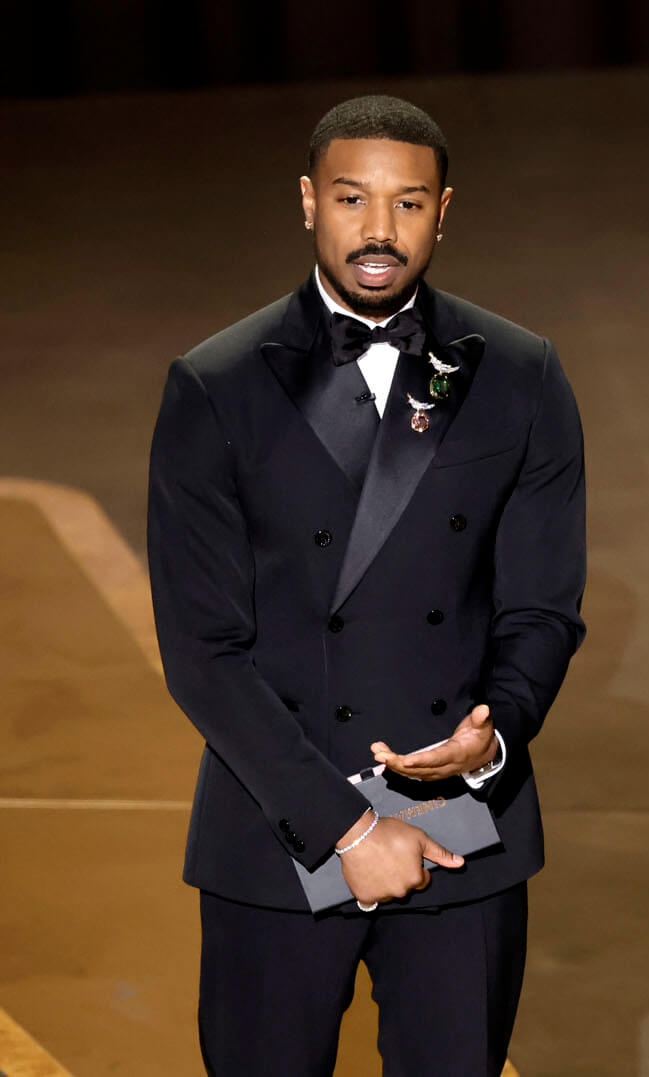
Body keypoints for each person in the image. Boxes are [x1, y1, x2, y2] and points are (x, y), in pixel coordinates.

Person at [147, 94, 585, 1075]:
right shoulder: (216, 385)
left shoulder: (520, 373)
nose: (378, 230)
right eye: (352, 199)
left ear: (444, 211)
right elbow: (203, 651)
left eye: (408, 203)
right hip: (277, 833)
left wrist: (494, 735)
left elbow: (542, 608)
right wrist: (347, 829)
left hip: (460, 834)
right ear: (309, 201)